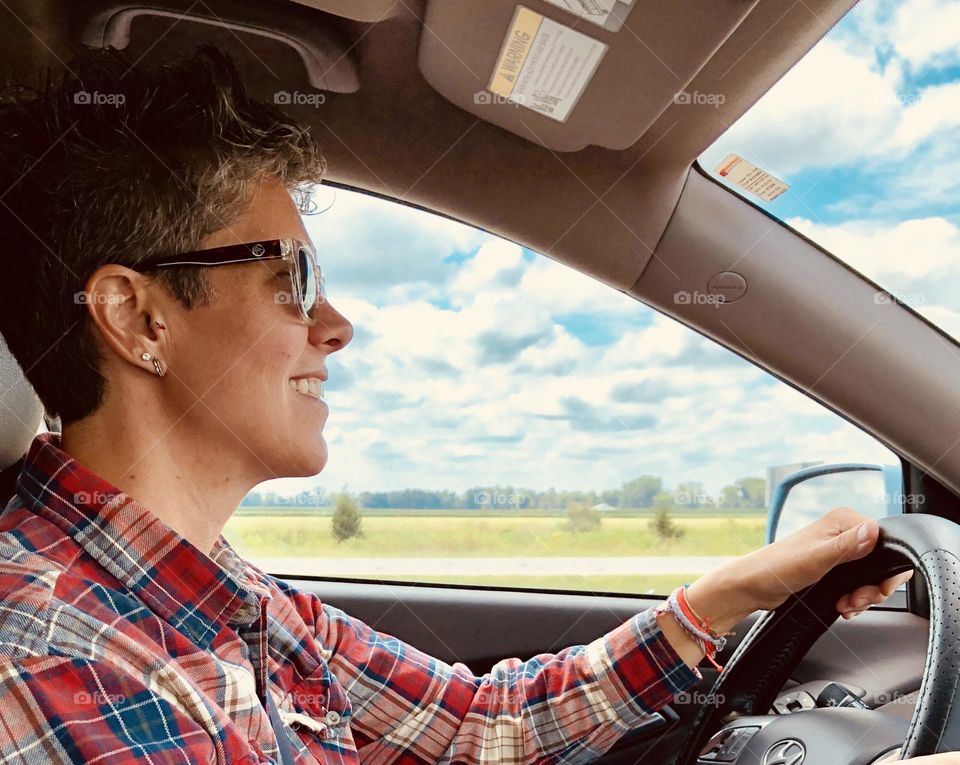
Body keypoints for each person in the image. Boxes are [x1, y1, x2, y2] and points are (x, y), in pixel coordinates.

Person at [0, 45, 951, 765]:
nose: (335, 324)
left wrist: (734, 593)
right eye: (292, 277)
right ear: (137, 316)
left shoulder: (218, 592)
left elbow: (480, 723)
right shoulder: (59, 663)